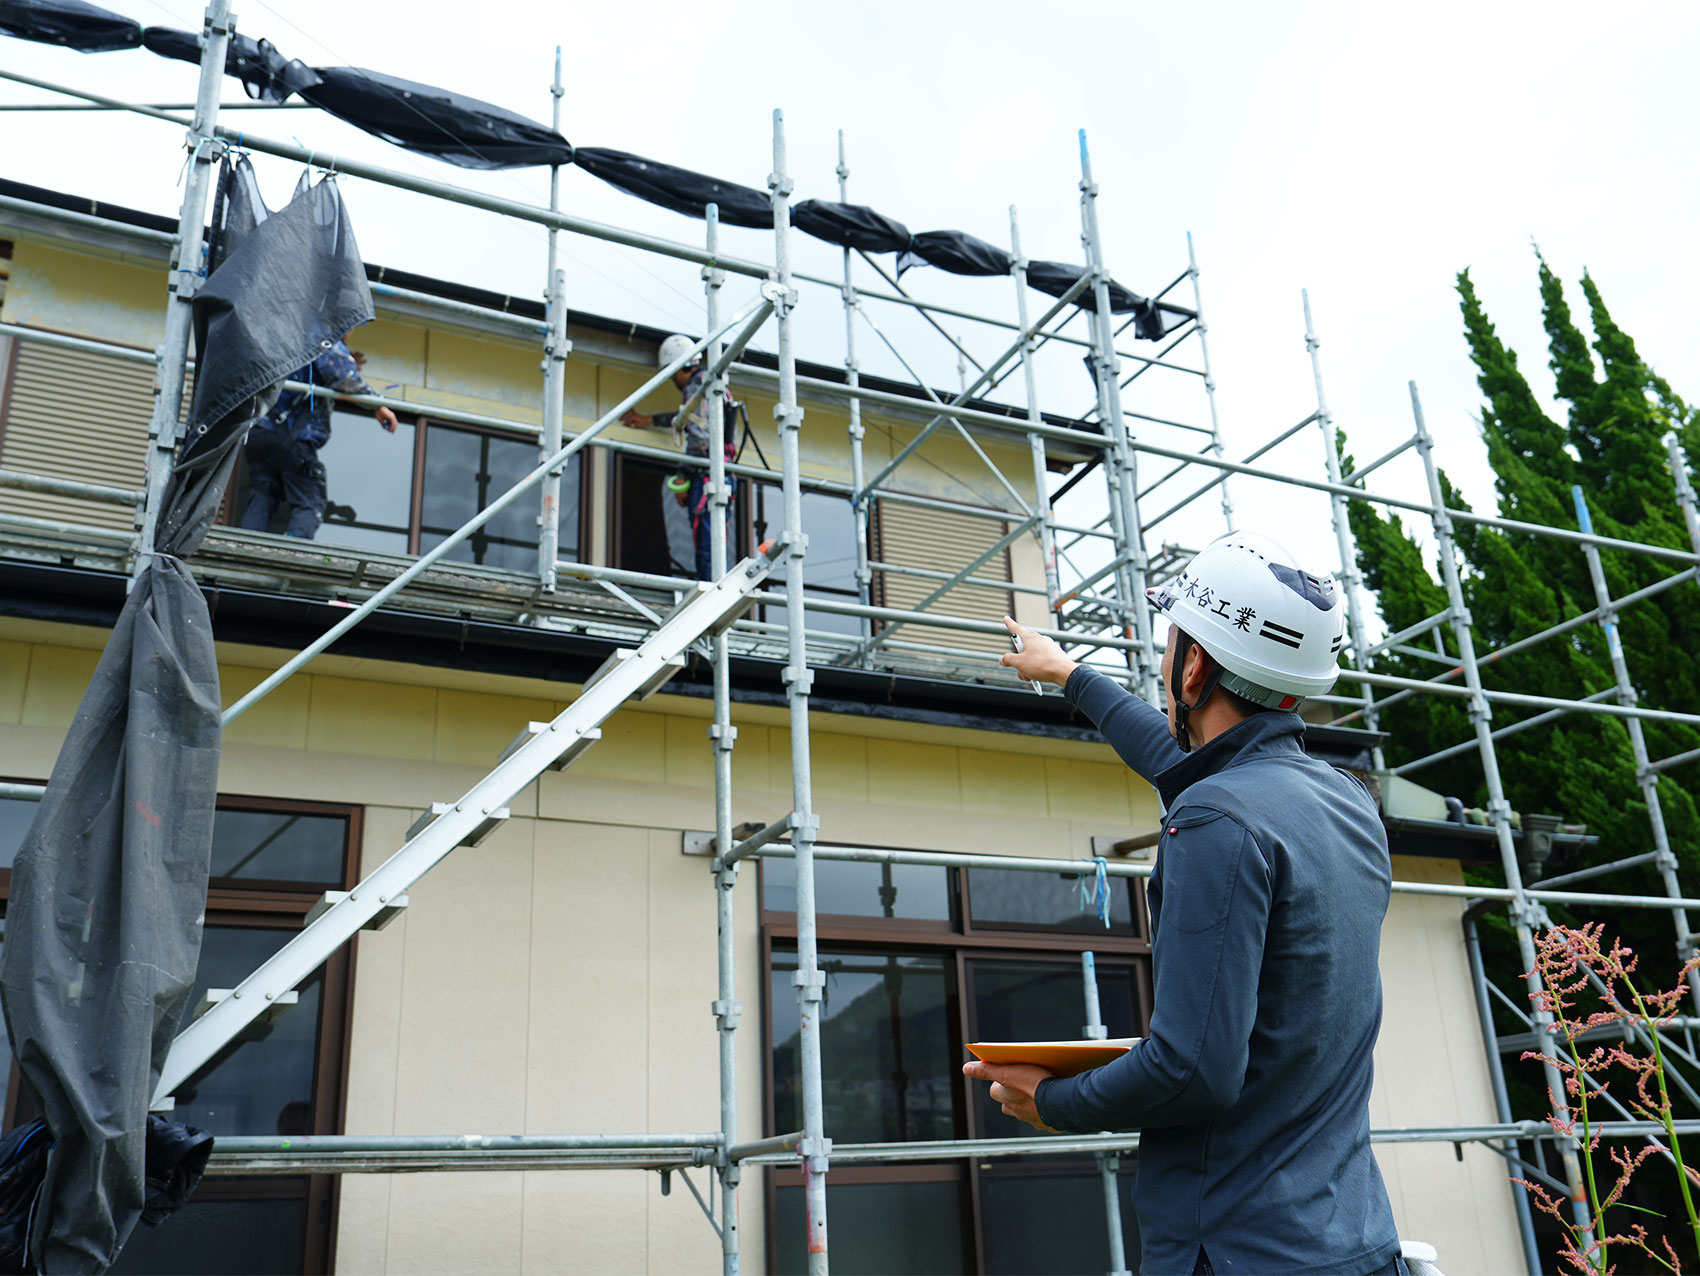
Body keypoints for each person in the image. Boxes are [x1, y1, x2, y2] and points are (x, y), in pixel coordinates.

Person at [976, 530, 1403, 1276]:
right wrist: (1073, 674)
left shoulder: (1216, 821)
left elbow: (1190, 1070)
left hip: (1237, 1252)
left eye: (1172, 642)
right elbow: (1189, 766)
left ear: (1194, 663)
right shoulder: (1343, 799)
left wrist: (1053, 1102)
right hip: (1354, 1242)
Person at [240, 332, 398, 539]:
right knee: (309, 502)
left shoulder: (287, 333)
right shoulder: (324, 337)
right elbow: (344, 378)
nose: (352, 330)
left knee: (264, 494)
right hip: (292, 434)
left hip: (260, 431)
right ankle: (292, 557)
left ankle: (245, 545)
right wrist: (377, 405)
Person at [620, 333, 736, 580]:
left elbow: (699, 436)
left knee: (706, 543)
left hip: (707, 476)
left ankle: (710, 596)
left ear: (677, 368)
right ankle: (715, 588)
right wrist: (650, 420)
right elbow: (689, 418)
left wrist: (683, 475)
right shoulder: (713, 384)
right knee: (715, 541)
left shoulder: (697, 385)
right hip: (722, 473)